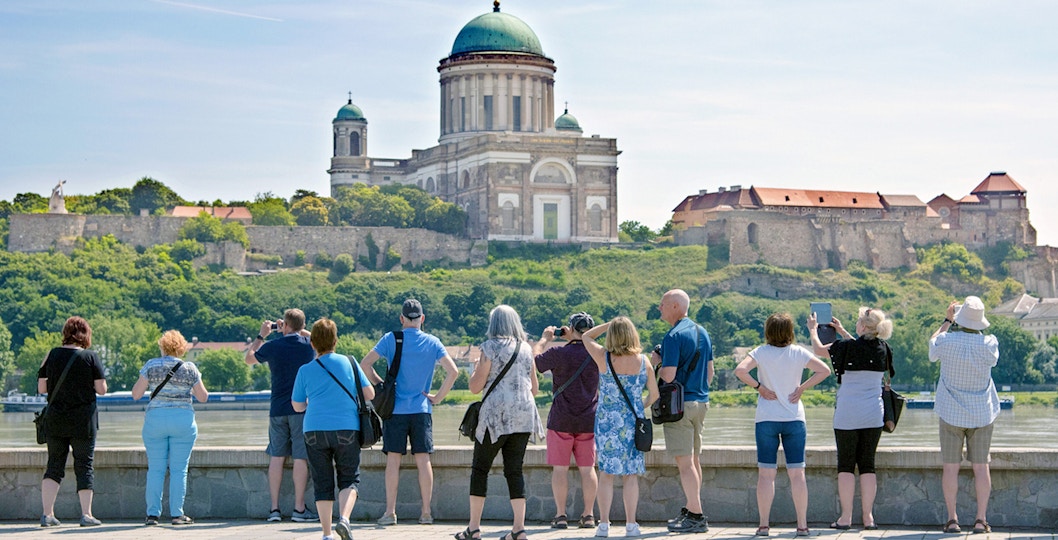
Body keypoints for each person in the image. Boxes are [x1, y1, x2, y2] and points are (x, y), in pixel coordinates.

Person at [359, 298, 458, 526]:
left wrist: (381, 383)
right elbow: (453, 372)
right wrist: (438, 397)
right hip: (422, 409)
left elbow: (365, 364)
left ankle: (390, 513)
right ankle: (425, 513)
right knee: (423, 461)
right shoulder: (433, 342)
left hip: (395, 410)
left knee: (393, 461)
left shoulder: (391, 339)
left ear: (402, 319)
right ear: (422, 319)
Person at [737, 313, 831, 537]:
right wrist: (802, 388)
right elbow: (824, 371)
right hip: (794, 419)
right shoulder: (798, 352)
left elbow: (740, 371)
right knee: (797, 474)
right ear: (790, 331)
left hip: (767, 418)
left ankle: (763, 525)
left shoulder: (760, 352)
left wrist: (759, 387)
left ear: (768, 331)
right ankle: (802, 526)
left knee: (765, 475)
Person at [455, 305, 544, 540]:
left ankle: (473, 529)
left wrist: (476, 370)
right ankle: (519, 529)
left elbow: (475, 387)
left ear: (493, 324)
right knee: (514, 471)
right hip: (524, 416)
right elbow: (534, 388)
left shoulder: (488, 348)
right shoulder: (526, 349)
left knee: (480, 469)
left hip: (495, 417)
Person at [809, 307, 894, 531]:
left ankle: (845, 518)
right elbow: (861, 348)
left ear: (864, 327)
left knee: (846, 466)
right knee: (868, 466)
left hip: (847, 413)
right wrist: (843, 331)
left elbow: (819, 350)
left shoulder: (847, 347)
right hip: (873, 414)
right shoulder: (883, 348)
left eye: (858, 321)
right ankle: (868, 518)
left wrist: (812, 330)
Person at [292, 318, 375, 540]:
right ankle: (345, 520)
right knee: (349, 478)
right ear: (336, 341)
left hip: (314, 430)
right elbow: (370, 394)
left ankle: (327, 534)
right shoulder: (350, 362)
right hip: (347, 428)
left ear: (312, 343)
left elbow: (297, 406)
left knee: (322, 482)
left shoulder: (305, 370)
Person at [581, 318, 659, 538]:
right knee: (630, 475)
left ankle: (604, 524)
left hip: (607, 425)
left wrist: (608, 325)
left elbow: (585, 336)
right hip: (632, 425)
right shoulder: (644, 362)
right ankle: (631, 525)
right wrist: (638, 407)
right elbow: (654, 395)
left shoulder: (603, 358)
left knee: (606, 474)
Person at [929, 296, 1000, 534]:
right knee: (981, 468)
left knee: (950, 468)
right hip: (981, 413)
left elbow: (932, 347)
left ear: (959, 317)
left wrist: (947, 321)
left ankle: (952, 519)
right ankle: (981, 520)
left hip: (950, 413)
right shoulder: (990, 343)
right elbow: (992, 358)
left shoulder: (946, 340)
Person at [245, 308, 318, 523]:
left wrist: (262, 335)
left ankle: (274, 510)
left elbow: (249, 359)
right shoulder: (307, 346)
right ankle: (299, 509)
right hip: (300, 409)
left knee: (276, 457)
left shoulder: (273, 346)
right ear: (303, 326)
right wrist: (298, 331)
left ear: (284, 325)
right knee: (300, 458)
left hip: (277, 409)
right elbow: (321, 340)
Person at [650, 289, 713, 533]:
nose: (660, 308)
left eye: (663, 304)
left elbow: (668, 375)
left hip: (680, 406)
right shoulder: (703, 332)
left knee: (685, 464)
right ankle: (690, 508)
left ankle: (696, 516)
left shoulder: (673, 336)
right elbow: (710, 372)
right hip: (701, 402)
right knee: (694, 461)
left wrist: (657, 361)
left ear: (676, 306)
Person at [131, 330, 209, 526]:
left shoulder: (151, 365)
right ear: (182, 348)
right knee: (179, 470)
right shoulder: (190, 367)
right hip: (183, 421)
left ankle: (152, 515)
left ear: (162, 346)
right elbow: (203, 397)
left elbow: (136, 394)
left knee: (156, 469)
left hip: (155, 420)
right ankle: (177, 514)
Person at [37, 316, 107, 527]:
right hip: (83, 422)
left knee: (54, 465)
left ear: (66, 333)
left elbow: (42, 389)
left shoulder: (52, 354)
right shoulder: (90, 357)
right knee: (84, 465)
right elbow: (102, 390)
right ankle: (86, 515)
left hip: (56, 421)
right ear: (86, 334)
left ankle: (47, 515)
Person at [534, 312, 600, 530]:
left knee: (560, 470)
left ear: (570, 329)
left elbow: (535, 361)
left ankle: (561, 516)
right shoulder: (597, 355)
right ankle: (588, 515)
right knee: (587, 469)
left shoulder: (557, 353)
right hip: (588, 420)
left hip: (561, 420)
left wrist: (546, 338)